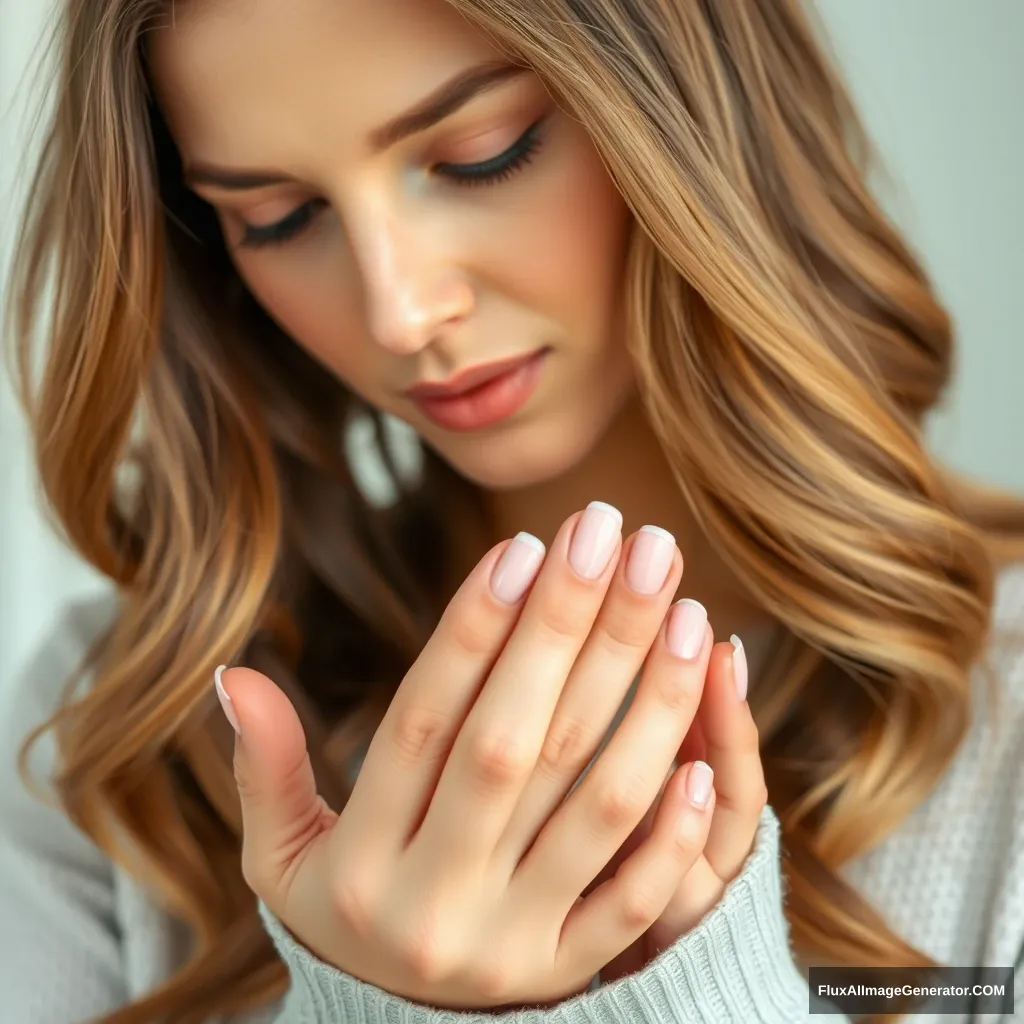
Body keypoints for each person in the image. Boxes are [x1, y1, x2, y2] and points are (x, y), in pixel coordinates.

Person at [2, 0, 1022, 1020]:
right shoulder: (127, 742)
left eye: (483, 155)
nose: (400, 310)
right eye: (277, 217)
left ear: (689, 111)